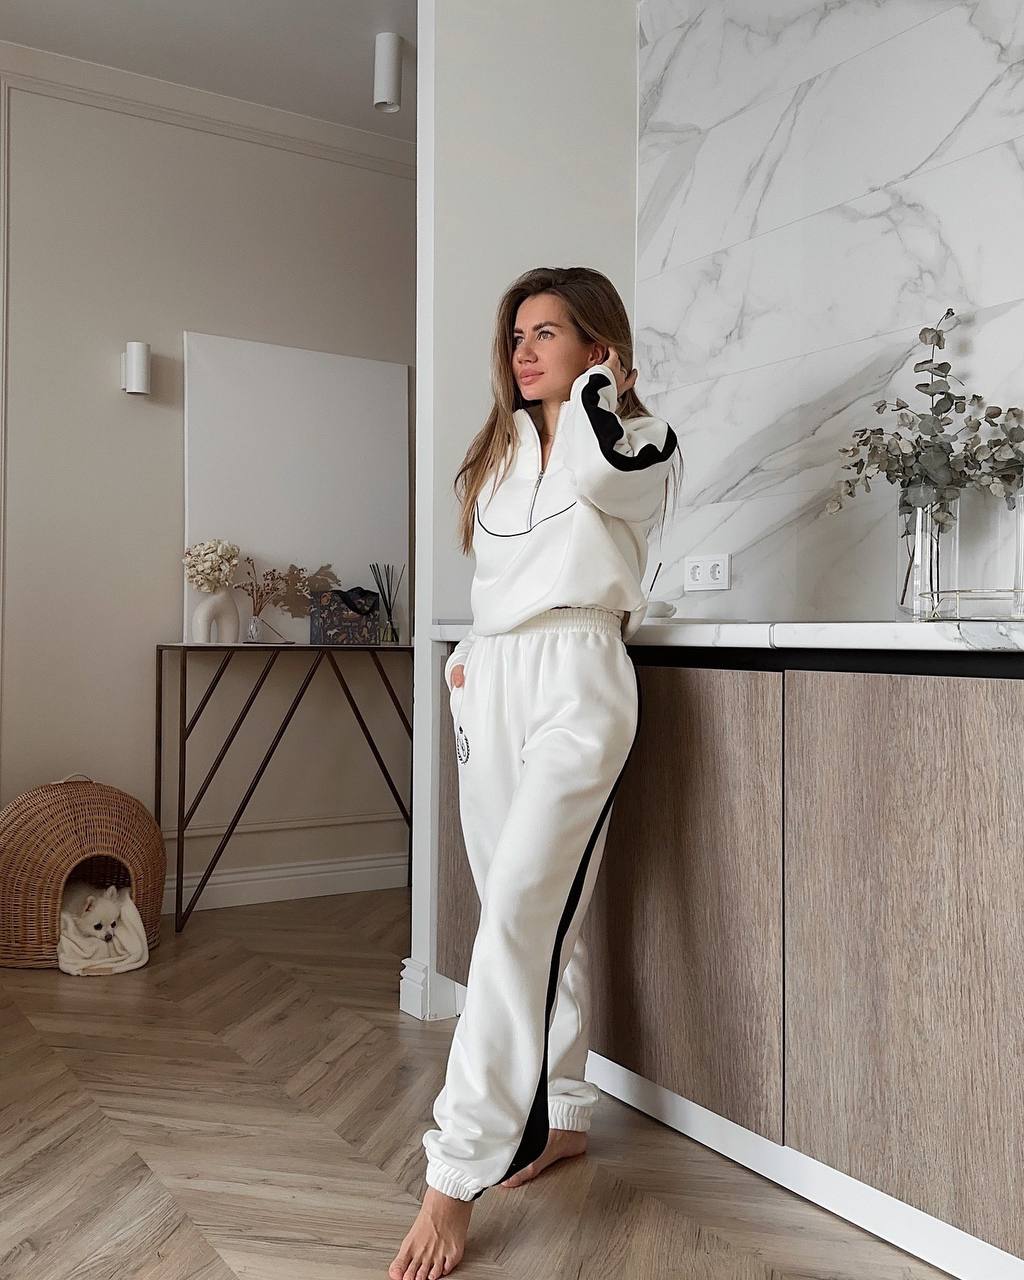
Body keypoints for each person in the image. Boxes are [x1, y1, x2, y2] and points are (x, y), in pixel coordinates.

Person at [389, 266, 682, 1280]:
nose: (523, 350)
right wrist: (470, 660)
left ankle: (454, 1172)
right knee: (530, 914)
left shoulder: (637, 437)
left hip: (580, 679)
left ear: (598, 345)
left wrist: (599, 387)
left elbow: (606, 484)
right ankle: (560, 1113)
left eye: (548, 332)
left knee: (518, 912)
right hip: (494, 682)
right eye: (516, 334)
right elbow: (496, 575)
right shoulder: (498, 450)